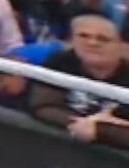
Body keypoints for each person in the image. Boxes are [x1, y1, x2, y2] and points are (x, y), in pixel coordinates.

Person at [30, 11, 129, 149]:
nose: (92, 43)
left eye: (103, 39)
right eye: (83, 36)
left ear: (123, 46)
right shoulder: (61, 61)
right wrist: (79, 123)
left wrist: (100, 131)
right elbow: (42, 106)